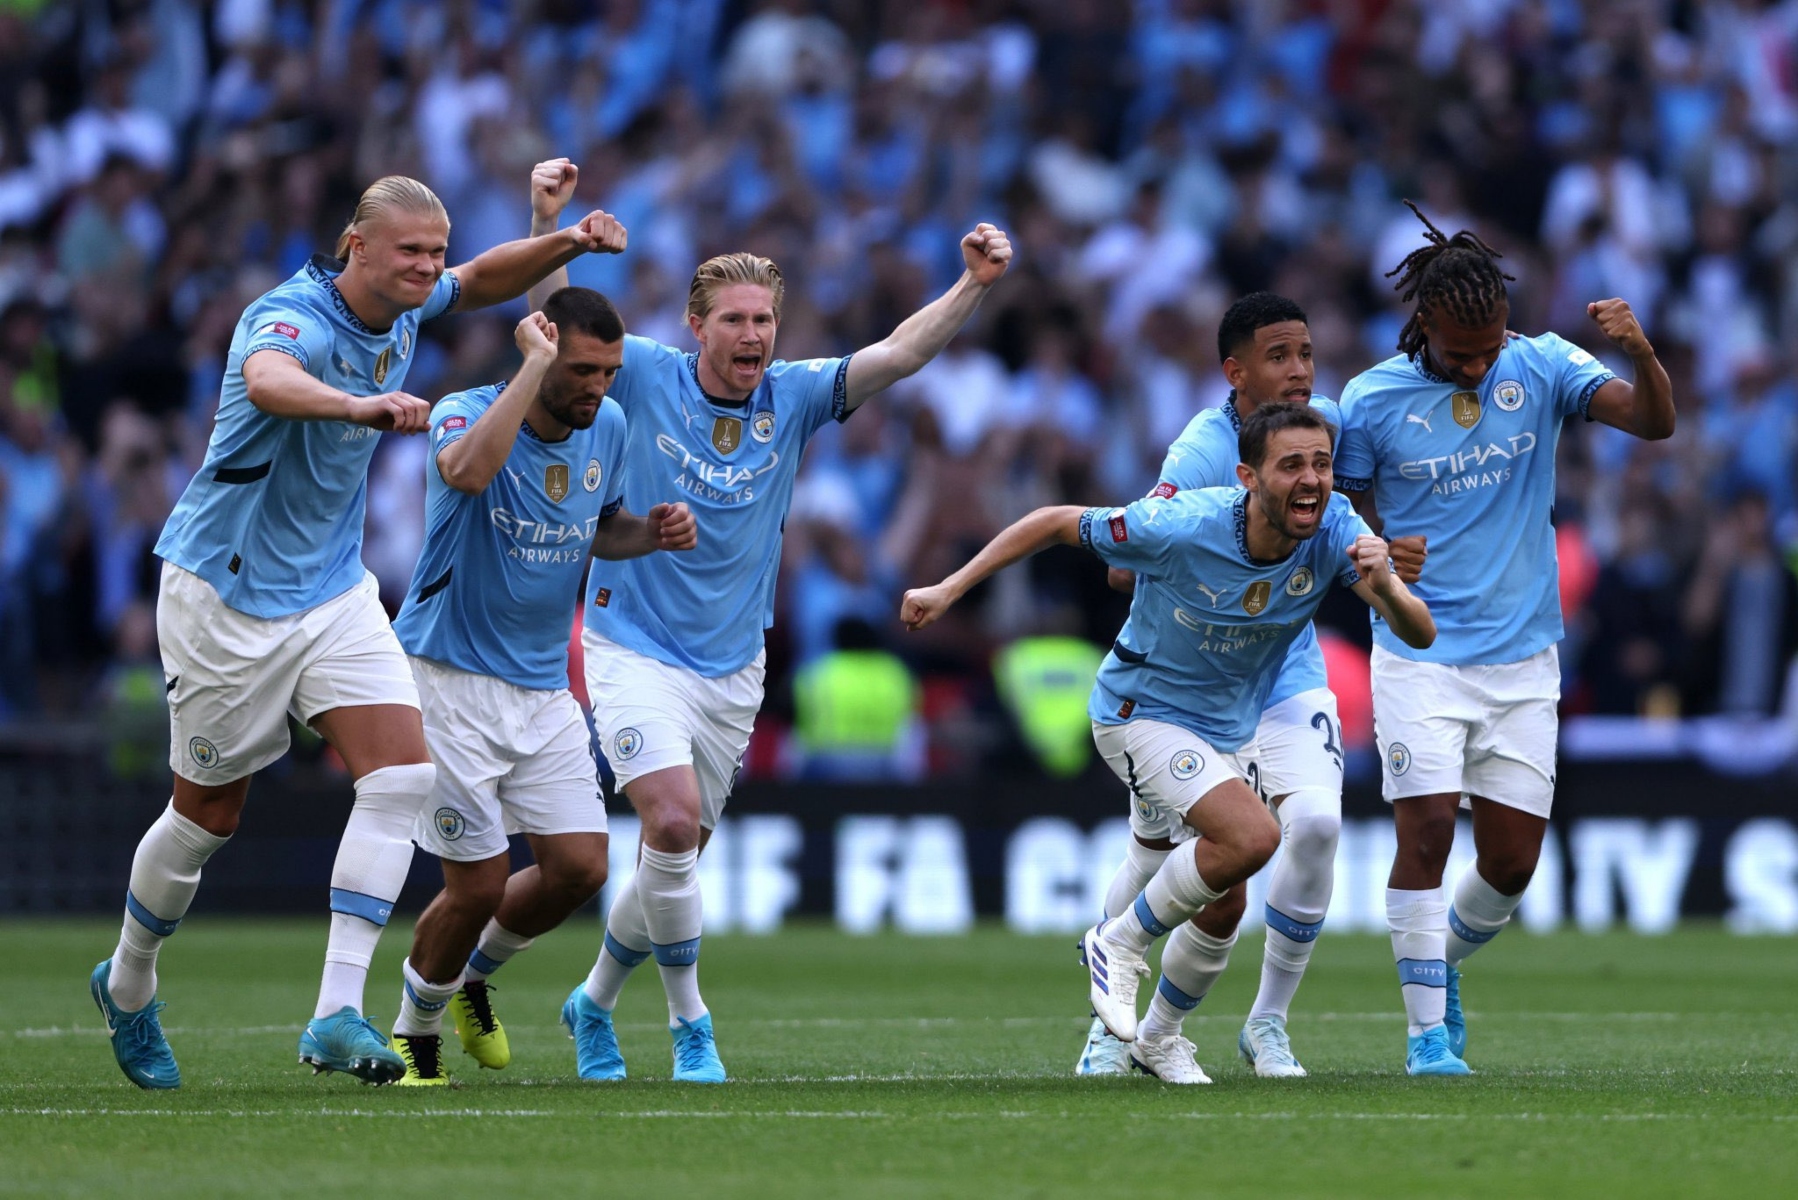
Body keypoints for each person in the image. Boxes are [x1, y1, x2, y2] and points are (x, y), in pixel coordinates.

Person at [89, 173, 628, 1090]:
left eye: (433, 250)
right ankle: (130, 980)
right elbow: (268, 380)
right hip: (227, 595)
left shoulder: (413, 303)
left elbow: (486, 278)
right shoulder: (290, 316)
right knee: (207, 816)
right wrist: (356, 405)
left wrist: (567, 240)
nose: (427, 266)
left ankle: (336, 1013)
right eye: (409, 251)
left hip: (336, 591)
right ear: (356, 246)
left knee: (403, 776)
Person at [496, 159, 1010, 1083]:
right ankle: (693, 1026)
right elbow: (559, 325)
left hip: (734, 664)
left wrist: (969, 284)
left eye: (764, 320)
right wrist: (549, 219)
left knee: (676, 848)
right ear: (696, 327)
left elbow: (899, 353)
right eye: (732, 319)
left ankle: (593, 1002)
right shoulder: (645, 376)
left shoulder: (798, 395)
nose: (751, 335)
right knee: (670, 819)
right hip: (631, 642)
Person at [902, 403, 1437, 1083]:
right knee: (1251, 839)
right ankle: (1116, 944)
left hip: (1227, 729)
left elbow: (1420, 633)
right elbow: (1054, 522)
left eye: (1321, 464)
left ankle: (1156, 1037)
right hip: (1138, 713)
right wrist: (949, 588)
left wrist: (1384, 579)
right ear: (1247, 475)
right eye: (1291, 465)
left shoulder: (1335, 528)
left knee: (1224, 898)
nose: (1310, 479)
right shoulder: (1184, 524)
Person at [1335, 202, 1674, 1076]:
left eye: (1491, 346)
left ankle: (1436, 969)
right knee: (1425, 839)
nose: (1480, 365)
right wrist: (1374, 549)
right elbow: (1333, 515)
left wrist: (1638, 348)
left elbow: (1652, 422)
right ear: (1424, 325)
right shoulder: (1370, 400)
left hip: (1525, 656)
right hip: (1419, 651)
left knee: (1514, 865)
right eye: (1461, 352)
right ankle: (1423, 1039)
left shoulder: (1545, 365)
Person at [1077, 291, 1430, 1080]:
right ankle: (1113, 1028)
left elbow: (1356, 504)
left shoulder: (1328, 425)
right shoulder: (1201, 451)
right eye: (1280, 356)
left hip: (1286, 666)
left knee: (1316, 828)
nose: (1301, 371)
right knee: (1174, 857)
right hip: (1190, 678)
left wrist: (1386, 560)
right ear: (1235, 373)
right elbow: (1116, 563)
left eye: (1305, 353)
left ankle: (1262, 1024)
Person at [384, 291, 698, 1086]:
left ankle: (471, 978)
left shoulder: (610, 429)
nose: (599, 387)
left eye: (610, 372)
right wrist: (528, 366)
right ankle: (413, 1027)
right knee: (480, 880)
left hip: (542, 687)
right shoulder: (468, 413)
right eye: (584, 370)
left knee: (580, 868)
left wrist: (651, 534)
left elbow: (600, 529)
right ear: (542, 357)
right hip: (447, 681)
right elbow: (463, 470)